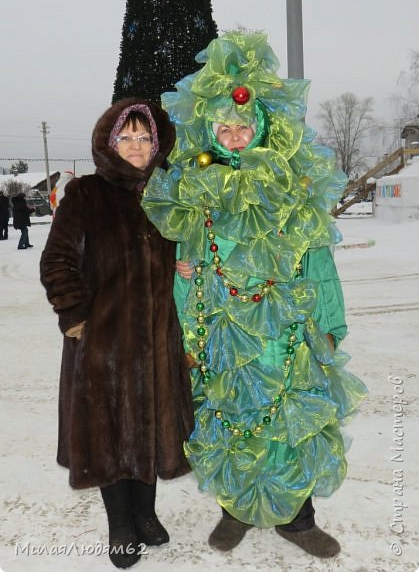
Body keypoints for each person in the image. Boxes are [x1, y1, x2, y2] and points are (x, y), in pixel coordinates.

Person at [142, 32, 368, 559]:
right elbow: (186, 266)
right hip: (222, 326)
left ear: (261, 126)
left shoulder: (291, 184)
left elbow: (318, 258)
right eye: (225, 126)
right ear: (212, 130)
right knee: (230, 415)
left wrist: (330, 326)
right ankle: (235, 511)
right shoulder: (196, 187)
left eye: (244, 125)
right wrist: (186, 330)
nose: (235, 134)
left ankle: (299, 518)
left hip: (286, 328)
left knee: (292, 420)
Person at [40, 97, 194, 569]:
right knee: (110, 435)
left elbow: (182, 251)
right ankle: (121, 525)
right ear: (109, 143)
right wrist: (78, 321)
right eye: (125, 137)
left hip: (159, 338)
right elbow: (57, 263)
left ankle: (146, 515)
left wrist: (183, 265)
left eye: (143, 137)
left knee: (150, 428)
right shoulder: (85, 195)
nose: (135, 146)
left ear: (157, 143)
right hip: (103, 345)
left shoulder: (169, 196)